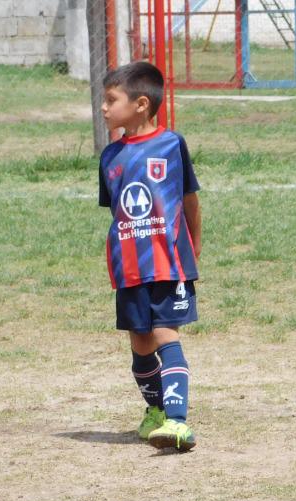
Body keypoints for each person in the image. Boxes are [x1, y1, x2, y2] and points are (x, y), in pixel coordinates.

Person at [98, 62, 201, 451]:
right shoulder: (110, 156)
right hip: (129, 267)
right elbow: (118, 212)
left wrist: (193, 247)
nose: (104, 108)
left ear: (141, 104)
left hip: (167, 262)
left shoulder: (172, 145)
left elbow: (190, 201)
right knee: (140, 345)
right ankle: (156, 411)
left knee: (163, 334)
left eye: (111, 100)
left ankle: (178, 422)